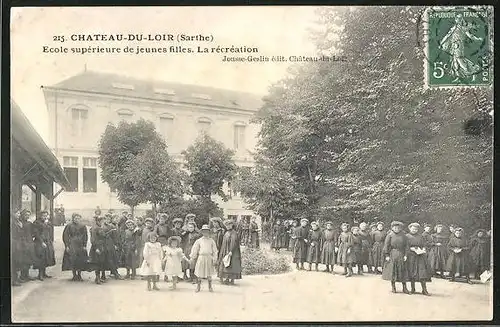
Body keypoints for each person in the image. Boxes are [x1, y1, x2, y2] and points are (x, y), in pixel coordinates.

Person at [382, 221, 410, 294]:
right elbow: (386, 246)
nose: (396, 229)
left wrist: (406, 255)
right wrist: (387, 255)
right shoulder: (390, 235)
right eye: (395, 227)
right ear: (392, 228)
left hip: (401, 254)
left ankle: (404, 288)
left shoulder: (404, 236)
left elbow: (407, 246)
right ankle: (393, 287)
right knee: (393, 271)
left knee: (403, 271)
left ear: (400, 228)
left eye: (398, 227)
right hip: (392, 254)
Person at [190, 225, 218, 292]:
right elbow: (195, 249)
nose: (205, 233)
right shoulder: (199, 241)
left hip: (209, 258)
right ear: (202, 232)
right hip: (201, 258)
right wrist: (193, 257)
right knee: (199, 273)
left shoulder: (211, 241)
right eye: (204, 231)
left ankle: (210, 287)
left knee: (209, 274)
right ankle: (198, 287)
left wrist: (214, 259)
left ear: (209, 232)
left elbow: (215, 251)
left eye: (207, 231)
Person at [406, 223, 431, 295]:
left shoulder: (421, 236)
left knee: (422, 273)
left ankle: (424, 289)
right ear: (410, 228)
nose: (414, 230)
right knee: (412, 272)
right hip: (411, 256)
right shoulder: (407, 236)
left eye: (416, 229)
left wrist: (423, 249)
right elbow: (405, 246)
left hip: (420, 256)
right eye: (413, 228)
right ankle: (412, 289)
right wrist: (411, 249)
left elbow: (423, 244)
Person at [62, 213, 88, 281]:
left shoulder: (83, 226)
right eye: (75, 218)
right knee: (73, 259)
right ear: (73, 219)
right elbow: (65, 236)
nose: (77, 220)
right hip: (72, 244)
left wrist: (84, 245)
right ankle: (74, 275)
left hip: (80, 244)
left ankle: (79, 275)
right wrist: (67, 245)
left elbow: (85, 236)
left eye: (78, 218)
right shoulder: (69, 226)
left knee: (80, 260)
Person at [32, 211, 56, 280]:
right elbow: (36, 233)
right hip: (39, 242)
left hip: (47, 241)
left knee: (46, 257)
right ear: (40, 216)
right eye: (43, 215)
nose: (45, 217)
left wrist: (50, 240)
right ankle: (40, 274)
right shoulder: (36, 222)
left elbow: (50, 231)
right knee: (41, 257)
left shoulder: (48, 222)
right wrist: (41, 242)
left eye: (46, 215)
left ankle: (44, 273)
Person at [217, 219, 242, 285]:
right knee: (226, 264)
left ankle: (232, 280)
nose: (227, 226)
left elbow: (234, 243)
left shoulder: (234, 233)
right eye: (226, 225)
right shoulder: (226, 232)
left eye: (229, 225)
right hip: (225, 250)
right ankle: (227, 279)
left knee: (232, 264)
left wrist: (231, 251)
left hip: (231, 251)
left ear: (232, 225)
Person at [102, 214, 123, 280]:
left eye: (109, 219)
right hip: (108, 244)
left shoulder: (114, 226)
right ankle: (114, 273)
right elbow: (111, 237)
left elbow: (116, 236)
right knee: (110, 259)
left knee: (114, 259)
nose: (107, 220)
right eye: (106, 219)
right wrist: (114, 245)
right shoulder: (107, 226)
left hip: (114, 244)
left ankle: (113, 272)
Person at [89, 215, 107, 284]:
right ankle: (97, 278)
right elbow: (93, 239)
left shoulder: (100, 228)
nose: (103, 222)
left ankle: (98, 278)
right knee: (97, 263)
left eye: (103, 221)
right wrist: (96, 248)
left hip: (102, 246)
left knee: (101, 262)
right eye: (102, 221)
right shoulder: (95, 228)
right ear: (98, 221)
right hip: (96, 247)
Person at [19, 209, 35, 282]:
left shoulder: (29, 223)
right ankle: (22, 276)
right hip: (23, 243)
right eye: (26, 215)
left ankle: (27, 275)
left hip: (30, 242)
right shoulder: (20, 223)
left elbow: (33, 231)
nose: (27, 216)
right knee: (23, 260)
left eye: (28, 215)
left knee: (29, 259)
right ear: (22, 215)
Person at [11, 210, 24, 286]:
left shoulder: (18, 221)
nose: (19, 215)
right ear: (13, 214)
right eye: (17, 213)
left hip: (19, 243)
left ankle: (16, 278)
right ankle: (14, 280)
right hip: (15, 243)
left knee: (18, 260)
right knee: (14, 261)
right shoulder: (12, 222)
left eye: (19, 213)